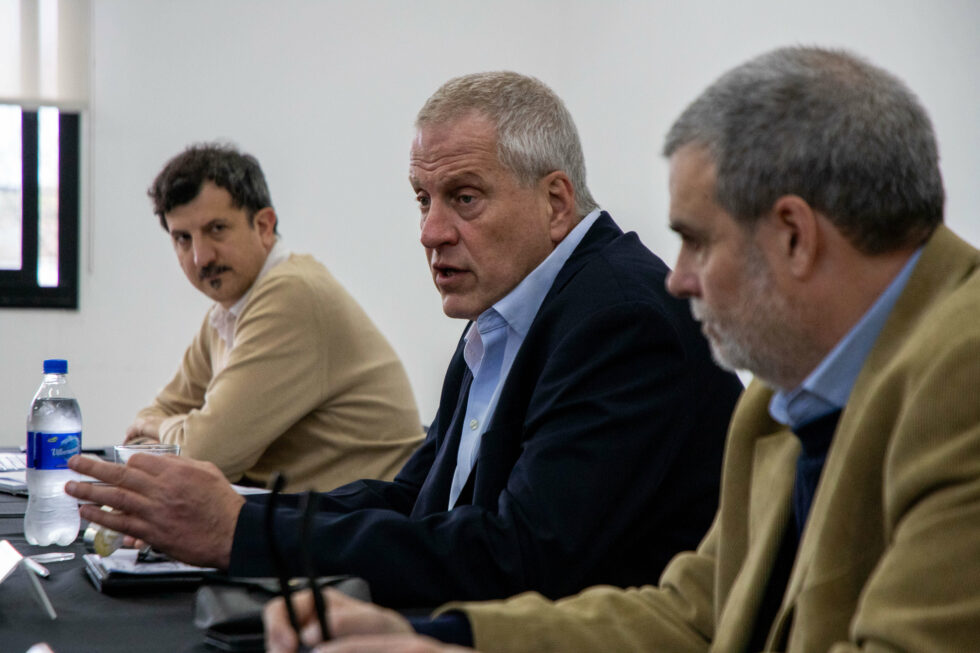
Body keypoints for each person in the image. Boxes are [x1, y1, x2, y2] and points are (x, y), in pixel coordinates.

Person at [262, 47, 980, 652]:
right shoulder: (783, 392)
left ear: (794, 235)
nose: (679, 278)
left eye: (696, 241)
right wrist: (437, 639)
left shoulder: (963, 375)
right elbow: (691, 614)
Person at [67, 73, 741, 609]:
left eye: (464, 198)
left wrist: (243, 531)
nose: (430, 232)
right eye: (423, 199)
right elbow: (416, 499)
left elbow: (519, 558)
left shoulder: (618, 318)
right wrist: (234, 511)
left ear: (556, 202)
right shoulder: (509, 307)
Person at [126, 143, 425, 492]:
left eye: (216, 229)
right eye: (183, 239)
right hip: (307, 514)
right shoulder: (225, 314)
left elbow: (203, 453)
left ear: (264, 226)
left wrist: (158, 428)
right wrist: (163, 429)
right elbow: (152, 423)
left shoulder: (292, 295)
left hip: (364, 517)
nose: (200, 257)